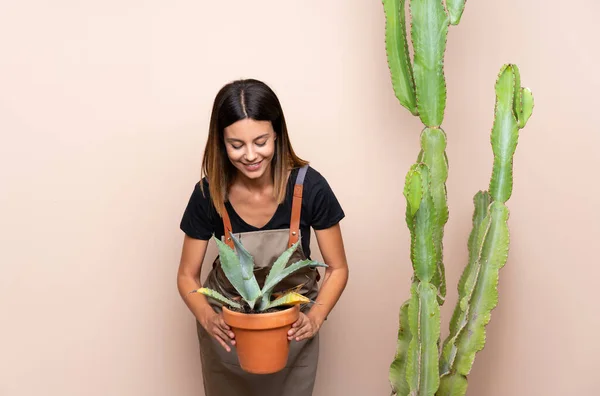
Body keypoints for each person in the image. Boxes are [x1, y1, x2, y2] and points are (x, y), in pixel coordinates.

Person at [176, 78, 349, 396]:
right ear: (221, 143)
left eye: (261, 141)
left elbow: (338, 268)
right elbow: (187, 274)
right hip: (228, 336)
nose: (250, 155)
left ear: (278, 135)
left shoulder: (309, 188)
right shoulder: (208, 193)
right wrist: (206, 317)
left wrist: (316, 317)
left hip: (292, 333)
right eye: (236, 145)